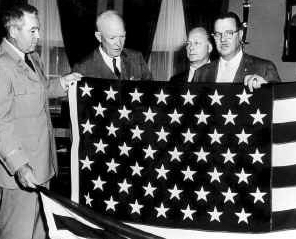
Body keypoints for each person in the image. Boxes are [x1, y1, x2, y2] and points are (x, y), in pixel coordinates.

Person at [0, 3, 81, 239]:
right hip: (21, 173)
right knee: (17, 234)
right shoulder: (2, 66)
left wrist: (63, 83)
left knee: (39, 233)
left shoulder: (32, 58)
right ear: (13, 31)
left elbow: (41, 91)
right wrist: (20, 165)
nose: (39, 36)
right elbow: (1, 122)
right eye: (32, 30)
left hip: (43, 166)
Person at [193, 12, 281, 91]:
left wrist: (266, 88)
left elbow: (280, 103)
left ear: (240, 35)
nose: (223, 39)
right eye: (218, 34)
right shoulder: (201, 73)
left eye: (229, 33)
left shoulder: (264, 68)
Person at [73, 10, 152, 81]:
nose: (119, 43)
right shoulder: (83, 68)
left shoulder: (136, 58)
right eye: (112, 38)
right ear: (99, 37)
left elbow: (150, 91)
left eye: (122, 36)